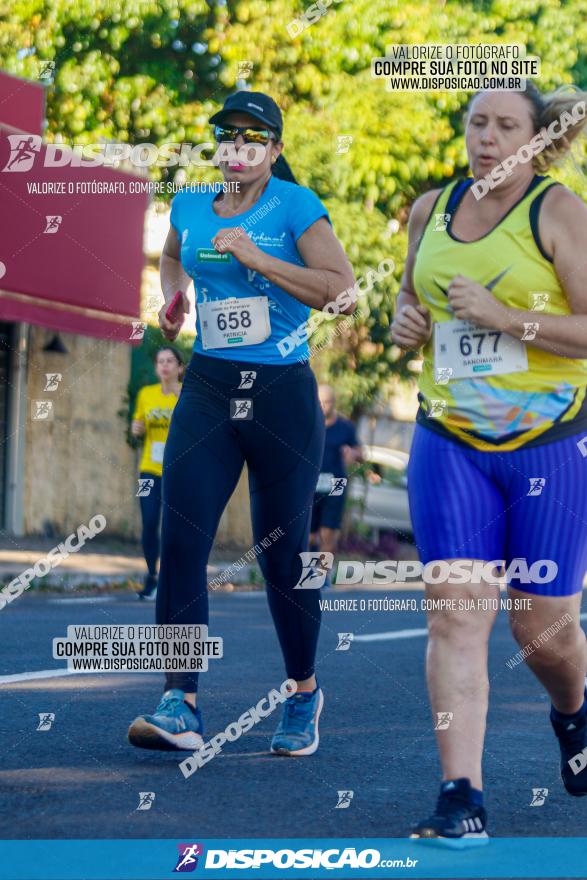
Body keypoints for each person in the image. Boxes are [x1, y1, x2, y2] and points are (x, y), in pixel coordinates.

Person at [127, 91, 355, 756]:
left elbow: (340, 292)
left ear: (274, 150)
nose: (237, 148)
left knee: (279, 556)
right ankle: (181, 702)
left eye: (252, 137)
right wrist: (173, 297)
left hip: (281, 393)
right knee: (182, 539)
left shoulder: (295, 206)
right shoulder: (192, 203)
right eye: (226, 135)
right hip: (208, 384)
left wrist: (259, 261)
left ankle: (304, 691)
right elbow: (174, 255)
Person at [391, 82, 587, 842]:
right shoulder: (428, 210)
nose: (487, 137)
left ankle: (572, 713)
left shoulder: (559, 211)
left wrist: (507, 318)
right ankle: (459, 794)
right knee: (454, 617)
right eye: (477, 122)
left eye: (507, 125)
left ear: (537, 140)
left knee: (540, 630)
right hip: (449, 442)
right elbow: (411, 302)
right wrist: (405, 321)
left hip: (548, 442)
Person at [131, 346, 183, 600]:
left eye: (170, 361)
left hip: (179, 472)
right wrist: (136, 429)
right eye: (160, 361)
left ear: (179, 367)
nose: (164, 365)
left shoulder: (186, 395)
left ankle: (173, 578)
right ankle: (152, 575)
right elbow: (136, 427)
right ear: (156, 368)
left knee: (174, 527)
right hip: (149, 470)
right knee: (149, 522)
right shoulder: (145, 394)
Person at [310, 384, 363, 579]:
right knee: (308, 534)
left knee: (328, 533)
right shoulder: (309, 423)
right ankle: (307, 571)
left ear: (334, 403)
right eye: (320, 402)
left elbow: (361, 453)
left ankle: (323, 575)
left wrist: (353, 453)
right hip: (310, 484)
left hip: (336, 484)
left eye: (327, 402)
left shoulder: (345, 427)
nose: (323, 406)